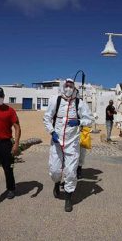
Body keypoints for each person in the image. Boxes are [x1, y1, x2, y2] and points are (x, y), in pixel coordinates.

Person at [43, 79, 93, 212]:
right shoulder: (55, 100)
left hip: (72, 143)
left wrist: (79, 121)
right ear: (63, 87)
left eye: (71, 86)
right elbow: (47, 118)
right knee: (55, 171)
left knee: (71, 172)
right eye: (67, 85)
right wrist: (52, 131)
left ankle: (68, 198)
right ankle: (56, 182)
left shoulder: (80, 103)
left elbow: (90, 120)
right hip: (57, 141)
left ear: (74, 88)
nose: (69, 87)